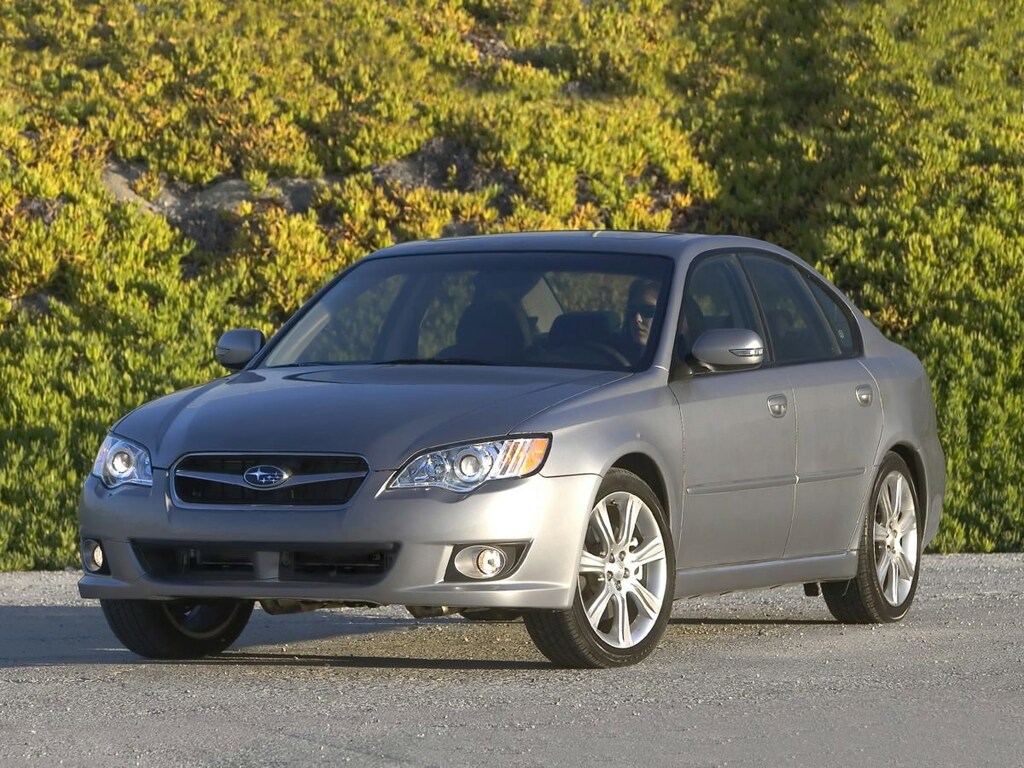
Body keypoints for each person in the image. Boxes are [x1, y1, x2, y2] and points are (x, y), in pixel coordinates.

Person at [614, 279, 660, 363]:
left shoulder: (680, 359)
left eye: (648, 311)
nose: (637, 319)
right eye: (632, 310)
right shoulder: (611, 355)